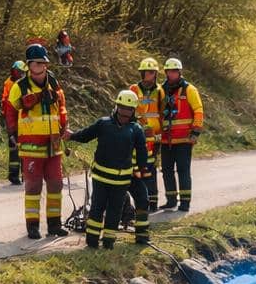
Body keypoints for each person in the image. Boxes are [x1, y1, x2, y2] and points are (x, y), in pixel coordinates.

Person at [66, 90, 150, 248]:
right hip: (101, 178)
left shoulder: (136, 130)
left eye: (128, 109)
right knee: (97, 208)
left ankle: (108, 242)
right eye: (122, 108)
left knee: (114, 212)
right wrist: (71, 136)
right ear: (116, 106)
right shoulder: (103, 124)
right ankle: (91, 242)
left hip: (121, 180)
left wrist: (142, 168)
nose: (124, 112)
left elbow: (142, 152)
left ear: (133, 111)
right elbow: (86, 135)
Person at [7, 43, 69, 238]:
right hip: (31, 145)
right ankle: (32, 227)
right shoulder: (20, 87)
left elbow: (62, 108)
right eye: (36, 63)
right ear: (29, 65)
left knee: (56, 184)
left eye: (43, 63)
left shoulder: (54, 84)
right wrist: (12, 134)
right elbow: (10, 111)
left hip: (54, 144)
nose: (40, 67)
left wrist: (64, 127)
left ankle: (54, 225)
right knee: (33, 186)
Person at [157, 58, 204, 212]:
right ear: (166, 72)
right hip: (166, 140)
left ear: (180, 72)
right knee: (167, 171)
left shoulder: (189, 90)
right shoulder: (161, 90)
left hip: (184, 139)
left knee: (183, 171)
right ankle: (171, 200)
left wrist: (195, 131)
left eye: (175, 71)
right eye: (170, 71)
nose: (172, 74)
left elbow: (198, 110)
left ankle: (185, 202)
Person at [130, 57, 164, 224]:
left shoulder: (160, 91)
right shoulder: (134, 90)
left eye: (151, 72)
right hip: (137, 136)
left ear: (155, 74)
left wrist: (161, 136)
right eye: (145, 72)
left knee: (151, 170)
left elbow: (164, 113)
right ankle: (139, 202)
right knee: (137, 169)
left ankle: (153, 202)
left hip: (154, 137)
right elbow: (130, 111)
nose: (147, 75)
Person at [1, 58, 26, 186]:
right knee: (14, 148)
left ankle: (25, 175)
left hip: (22, 120)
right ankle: (14, 175)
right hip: (13, 120)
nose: (20, 74)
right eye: (19, 71)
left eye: (22, 72)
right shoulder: (11, 84)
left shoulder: (22, 83)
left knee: (25, 148)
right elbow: (8, 104)